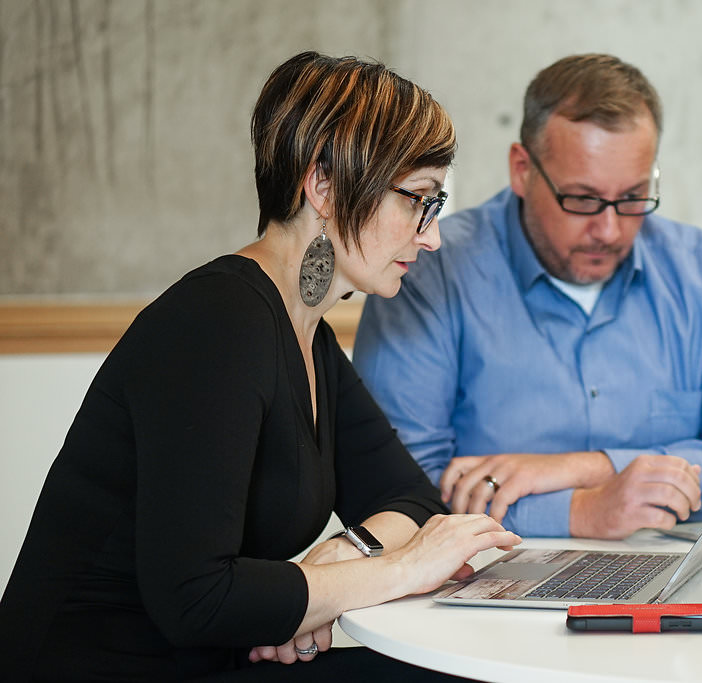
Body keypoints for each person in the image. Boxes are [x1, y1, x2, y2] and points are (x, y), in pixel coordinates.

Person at [0, 51, 519, 682]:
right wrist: (396, 570)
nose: (431, 236)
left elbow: (409, 497)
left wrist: (332, 564)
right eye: (418, 200)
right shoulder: (216, 322)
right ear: (323, 186)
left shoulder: (307, 335)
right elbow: (196, 598)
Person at [353, 53, 702, 540]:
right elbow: (396, 488)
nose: (608, 230)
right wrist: (580, 511)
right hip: (488, 585)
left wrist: (582, 468)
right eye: (582, 199)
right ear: (522, 170)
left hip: (683, 581)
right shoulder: (429, 272)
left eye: (632, 198)